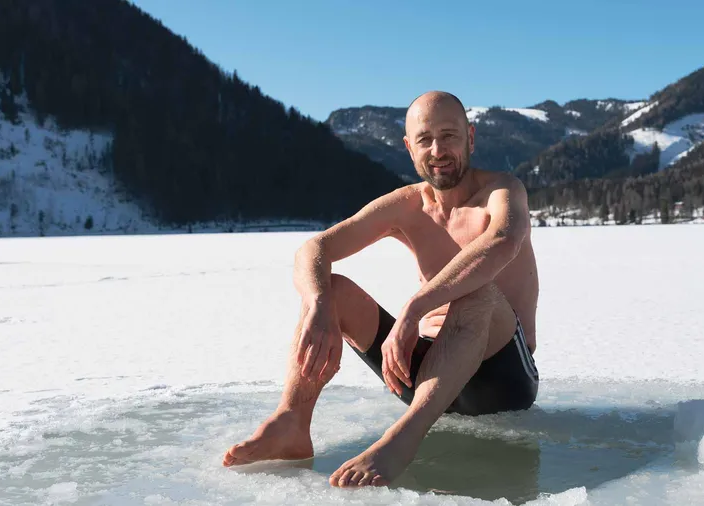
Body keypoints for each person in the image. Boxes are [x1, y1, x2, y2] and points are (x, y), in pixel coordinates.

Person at [222, 90, 540, 488]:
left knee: (476, 291)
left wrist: (414, 308)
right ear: (409, 148)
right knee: (330, 288)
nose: (438, 150)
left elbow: (501, 242)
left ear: (470, 138)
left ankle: (401, 441)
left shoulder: (502, 191)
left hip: (501, 380)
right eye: (425, 139)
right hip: (428, 375)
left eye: (449, 136)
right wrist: (318, 303)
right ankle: (292, 422)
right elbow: (315, 248)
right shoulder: (408, 206)